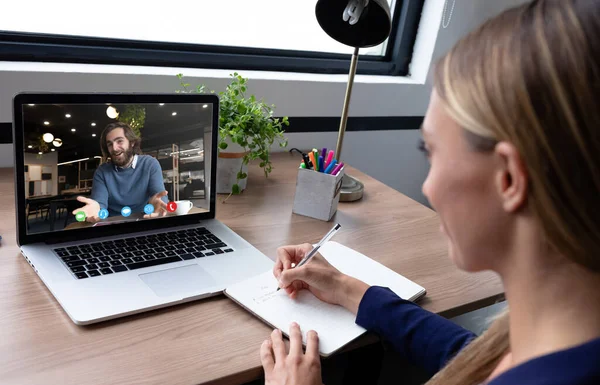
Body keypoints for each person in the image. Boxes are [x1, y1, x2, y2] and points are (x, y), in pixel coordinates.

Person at [259, 1, 600, 384]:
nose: (427, 186)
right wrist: (342, 286)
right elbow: (467, 353)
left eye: (432, 152)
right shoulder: (554, 338)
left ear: (508, 179)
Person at [72, 122, 169, 222]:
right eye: (110, 144)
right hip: (113, 226)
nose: (114, 148)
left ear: (132, 143)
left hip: (144, 222)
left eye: (119, 141)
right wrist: (97, 209)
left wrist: (158, 203)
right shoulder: (102, 171)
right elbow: (99, 204)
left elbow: (159, 196)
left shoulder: (149, 164)